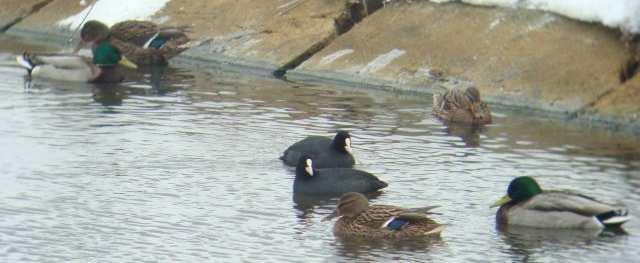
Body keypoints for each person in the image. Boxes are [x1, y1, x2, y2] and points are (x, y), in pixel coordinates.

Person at [16, 20, 134, 83]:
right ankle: (33, 69)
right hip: (42, 68)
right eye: (118, 55)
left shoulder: (108, 71)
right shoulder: (91, 73)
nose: (121, 58)